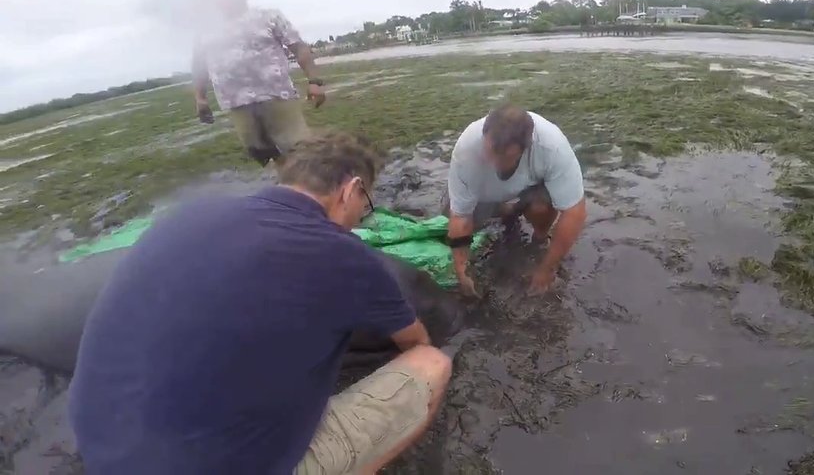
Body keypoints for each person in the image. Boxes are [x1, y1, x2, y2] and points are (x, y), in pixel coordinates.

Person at [69, 130, 452, 475]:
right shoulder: (343, 253)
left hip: (103, 450)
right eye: (365, 204)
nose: (359, 218)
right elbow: (415, 342)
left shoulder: (189, 213)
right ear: (350, 190)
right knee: (431, 366)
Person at [445, 105, 587, 296]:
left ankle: (539, 238)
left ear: (525, 148)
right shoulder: (466, 150)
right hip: (485, 198)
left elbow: (574, 212)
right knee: (449, 218)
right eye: (490, 152)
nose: (495, 162)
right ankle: (505, 210)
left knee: (542, 206)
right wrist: (462, 273)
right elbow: (460, 217)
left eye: (505, 156)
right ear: (483, 136)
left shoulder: (551, 147)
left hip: (527, 192)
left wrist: (547, 269)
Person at [191, 0, 326, 171]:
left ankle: (318, 185)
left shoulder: (269, 17)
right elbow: (199, 66)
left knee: (301, 149)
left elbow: (299, 48)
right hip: (236, 103)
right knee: (261, 151)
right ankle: (289, 181)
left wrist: (315, 82)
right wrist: (200, 98)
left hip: (276, 96)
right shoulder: (205, 31)